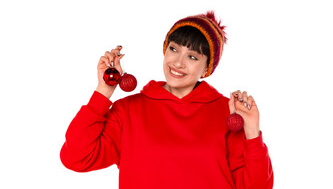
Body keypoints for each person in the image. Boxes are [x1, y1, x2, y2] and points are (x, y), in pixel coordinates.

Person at [60, 11, 274, 189]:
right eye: (174, 49)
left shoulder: (227, 113)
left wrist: (252, 131)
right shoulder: (128, 111)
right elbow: (76, 158)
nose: (178, 63)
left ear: (206, 68)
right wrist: (103, 92)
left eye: (192, 57)